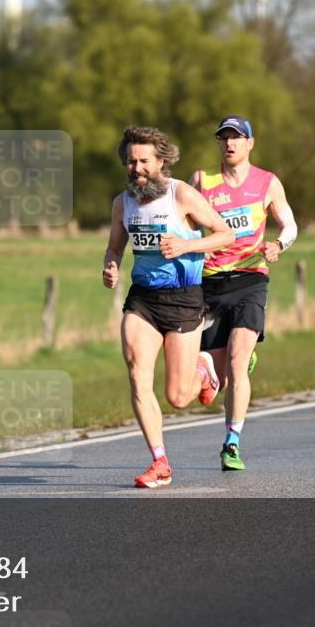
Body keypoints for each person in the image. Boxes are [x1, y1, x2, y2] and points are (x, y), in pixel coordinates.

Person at [103, 126, 234, 489]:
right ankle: (159, 462)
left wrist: (186, 246)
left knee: (177, 397)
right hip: (143, 299)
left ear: (161, 161)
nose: (137, 168)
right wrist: (111, 265)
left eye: (144, 161)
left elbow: (225, 234)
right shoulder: (122, 203)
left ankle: (205, 370)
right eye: (131, 161)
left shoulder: (182, 195)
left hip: (183, 298)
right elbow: (115, 246)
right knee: (136, 373)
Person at [189, 115, 298, 471]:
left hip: (250, 279)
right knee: (218, 381)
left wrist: (278, 245)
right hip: (210, 284)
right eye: (223, 138)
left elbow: (289, 224)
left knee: (237, 364)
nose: (229, 143)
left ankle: (231, 444)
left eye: (236, 137)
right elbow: (185, 223)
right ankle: (230, 364)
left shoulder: (267, 182)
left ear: (250, 143)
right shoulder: (202, 181)